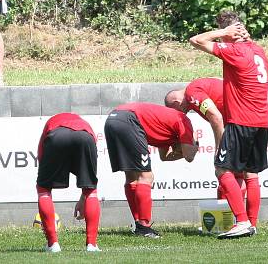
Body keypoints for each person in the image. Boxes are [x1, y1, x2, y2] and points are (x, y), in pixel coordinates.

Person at [190, 10, 268, 238]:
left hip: (241, 120)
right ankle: (251, 224)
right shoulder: (258, 51)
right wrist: (239, 34)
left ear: (230, 34)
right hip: (261, 120)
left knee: (222, 169)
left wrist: (222, 33)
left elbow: (196, 40)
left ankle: (242, 221)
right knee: (251, 173)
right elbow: (246, 42)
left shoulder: (235, 51)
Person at [104, 102, 198, 238]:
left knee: (131, 176)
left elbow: (164, 157)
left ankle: (138, 224)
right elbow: (189, 156)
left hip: (113, 118)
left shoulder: (168, 130)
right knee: (146, 177)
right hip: (130, 120)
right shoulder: (185, 123)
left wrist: (179, 151)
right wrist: (194, 146)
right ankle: (144, 226)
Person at [164, 78, 247, 200]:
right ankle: (240, 217)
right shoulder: (196, 93)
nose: (182, 114)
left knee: (223, 171)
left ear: (176, 102)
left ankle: (232, 215)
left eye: (176, 111)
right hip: (243, 121)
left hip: (240, 122)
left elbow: (216, 118)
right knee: (240, 173)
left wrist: (219, 149)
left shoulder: (192, 93)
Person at [36, 113, 100, 253]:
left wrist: (43, 181)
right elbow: (91, 173)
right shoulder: (84, 123)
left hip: (56, 136)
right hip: (85, 137)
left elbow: (40, 155)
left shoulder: (51, 122)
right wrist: (85, 196)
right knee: (91, 190)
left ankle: (53, 244)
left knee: (43, 188)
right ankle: (92, 245)